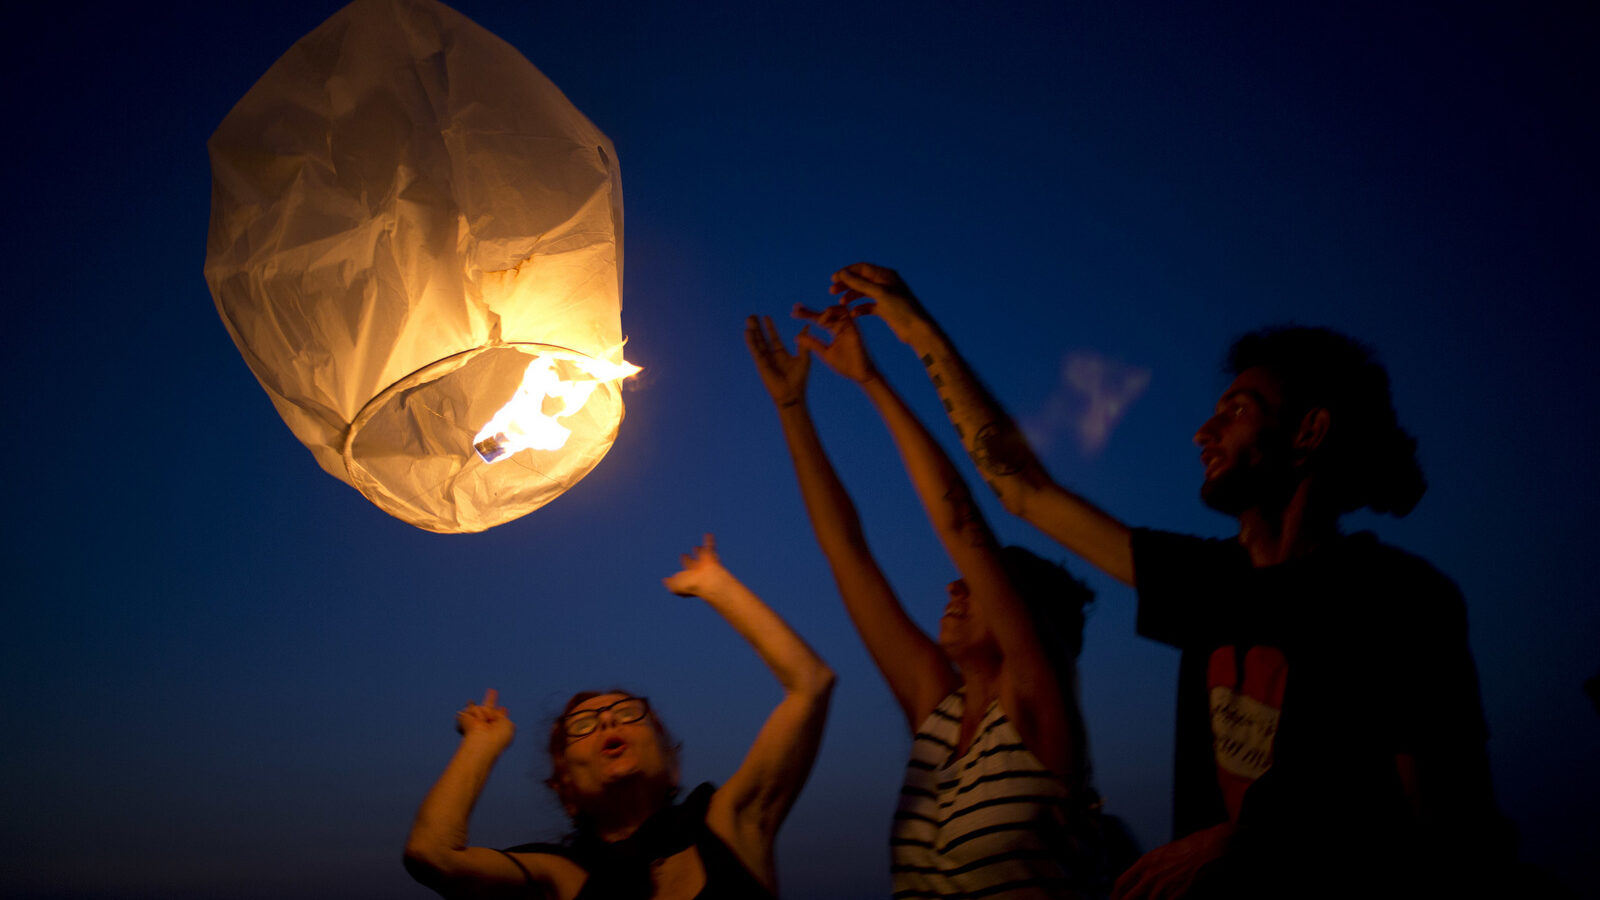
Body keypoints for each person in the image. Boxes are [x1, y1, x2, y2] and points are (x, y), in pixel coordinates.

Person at [823, 262, 1512, 898]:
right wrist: (919, 335)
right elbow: (1023, 490)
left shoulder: (1400, 600)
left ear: (1310, 431)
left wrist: (1253, 841)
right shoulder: (1206, 583)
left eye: (1238, 409)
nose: (1203, 432)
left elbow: (1452, 837)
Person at [746, 309, 1115, 898]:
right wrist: (792, 408)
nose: (952, 587)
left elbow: (962, 522)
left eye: (975, 584)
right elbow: (848, 553)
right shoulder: (937, 714)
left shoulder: (1038, 710)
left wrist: (872, 381)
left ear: (1024, 616)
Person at [403, 535, 834, 900]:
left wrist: (716, 585)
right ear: (565, 787)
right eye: (583, 726)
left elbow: (810, 684)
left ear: (672, 762)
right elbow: (433, 855)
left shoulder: (730, 822)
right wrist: (480, 742)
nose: (608, 723)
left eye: (627, 713)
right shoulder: (561, 876)